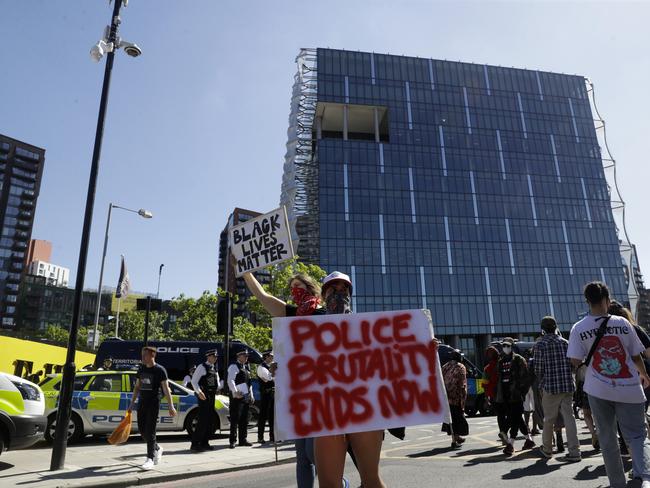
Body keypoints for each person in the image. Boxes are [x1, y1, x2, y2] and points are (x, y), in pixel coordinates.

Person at [241, 268, 327, 488]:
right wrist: (245, 272)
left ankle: (336, 480)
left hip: (322, 390)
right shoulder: (292, 313)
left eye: (298, 287)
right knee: (301, 456)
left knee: (312, 451)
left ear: (309, 288)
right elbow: (263, 297)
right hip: (297, 389)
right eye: (291, 289)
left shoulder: (326, 313)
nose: (294, 291)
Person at [567, 281, 650, 488]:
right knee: (637, 435)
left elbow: (575, 361)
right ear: (607, 298)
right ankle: (644, 477)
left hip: (598, 389)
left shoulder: (579, 328)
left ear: (587, 301)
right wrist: (644, 374)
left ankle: (617, 484)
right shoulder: (623, 323)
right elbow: (636, 355)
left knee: (608, 438)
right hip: (629, 386)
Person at [533, 316, 581, 461]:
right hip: (567, 385)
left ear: (542, 330)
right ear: (556, 327)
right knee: (570, 418)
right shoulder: (565, 343)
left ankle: (547, 449)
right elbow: (573, 364)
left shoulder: (540, 345)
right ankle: (575, 452)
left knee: (549, 419)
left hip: (550, 386)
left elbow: (538, 369)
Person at [127, 346, 176, 470]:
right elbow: (137, 387)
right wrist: (132, 403)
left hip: (153, 403)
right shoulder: (141, 369)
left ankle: (150, 458)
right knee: (142, 431)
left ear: (152, 356)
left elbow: (166, 389)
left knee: (150, 430)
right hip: (142, 403)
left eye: (145, 355)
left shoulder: (160, 370)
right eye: (142, 355)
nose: (142, 358)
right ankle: (157, 448)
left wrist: (171, 406)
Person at [496, 337, 535, 455]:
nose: (505, 348)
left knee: (514, 418)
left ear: (512, 347)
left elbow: (526, 378)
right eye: (504, 346)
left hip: (516, 395)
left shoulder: (519, 359)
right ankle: (529, 440)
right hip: (506, 395)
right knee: (517, 418)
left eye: (508, 346)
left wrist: (521, 392)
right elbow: (500, 379)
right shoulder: (501, 361)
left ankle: (510, 444)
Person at [190, 349, 221, 452]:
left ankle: (205, 442)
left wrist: (218, 388)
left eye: (216, 357)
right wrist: (199, 392)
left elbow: (216, 382)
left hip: (212, 395)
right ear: (208, 356)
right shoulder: (202, 367)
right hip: (204, 395)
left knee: (209, 420)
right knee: (202, 421)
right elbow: (194, 381)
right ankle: (195, 444)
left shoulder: (214, 368)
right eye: (214, 356)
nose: (216, 358)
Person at [227, 350, 254, 449]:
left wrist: (251, 394)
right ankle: (232, 441)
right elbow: (230, 380)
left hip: (245, 396)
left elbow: (249, 383)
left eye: (247, 356)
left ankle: (243, 439)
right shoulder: (234, 366)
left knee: (244, 419)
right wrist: (235, 392)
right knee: (235, 419)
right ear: (239, 356)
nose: (246, 358)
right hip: (237, 397)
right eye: (244, 356)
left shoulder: (246, 367)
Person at [442, 349, 469, 448]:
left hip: (446, 397)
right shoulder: (461, 367)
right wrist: (463, 400)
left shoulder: (445, 366)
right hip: (456, 398)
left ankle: (456, 437)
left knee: (451, 420)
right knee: (458, 419)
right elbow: (463, 385)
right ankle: (454, 440)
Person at [484, 346, 507, 443]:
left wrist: (486, 397)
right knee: (508, 415)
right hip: (506, 394)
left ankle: (503, 433)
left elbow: (485, 384)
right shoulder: (504, 364)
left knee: (500, 416)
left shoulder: (487, 369)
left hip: (494, 396)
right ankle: (504, 432)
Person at [257, 350, 276, 444]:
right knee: (263, 416)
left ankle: (272, 436)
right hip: (265, 394)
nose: (272, 358)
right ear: (266, 357)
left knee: (272, 416)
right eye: (270, 356)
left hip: (272, 393)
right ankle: (260, 437)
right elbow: (268, 378)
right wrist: (273, 374)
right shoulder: (261, 367)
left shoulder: (270, 367)